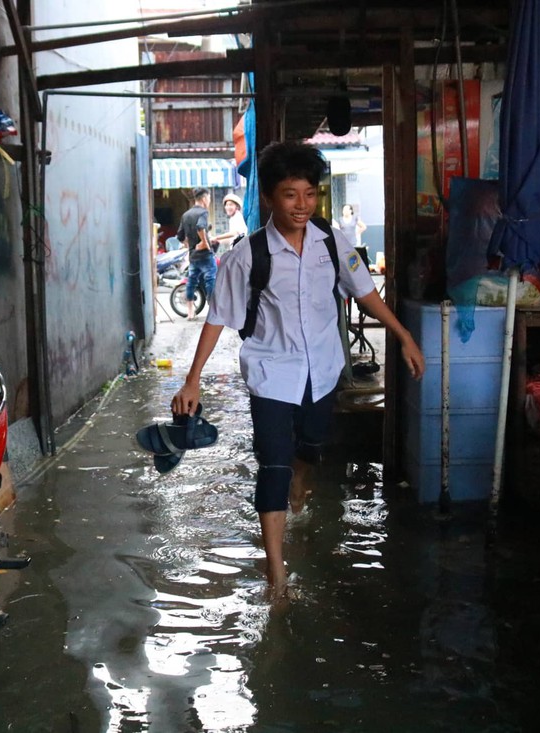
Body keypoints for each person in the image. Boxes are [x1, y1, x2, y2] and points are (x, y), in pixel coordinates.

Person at [172, 141, 426, 598]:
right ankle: (277, 574)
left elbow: (365, 291)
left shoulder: (331, 241)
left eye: (310, 194)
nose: (302, 205)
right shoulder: (248, 255)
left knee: (310, 447)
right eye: (291, 195)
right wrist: (192, 381)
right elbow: (217, 317)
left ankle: (302, 475)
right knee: (272, 466)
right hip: (271, 372)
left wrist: (403, 335)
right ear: (270, 197)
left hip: (324, 369)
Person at [177, 187, 216, 321]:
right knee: (211, 279)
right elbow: (200, 227)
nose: (209, 201)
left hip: (193, 255)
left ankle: (190, 312)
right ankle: (213, 310)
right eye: (209, 198)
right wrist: (204, 242)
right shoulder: (203, 213)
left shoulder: (186, 215)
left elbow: (180, 236)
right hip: (205, 255)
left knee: (191, 281)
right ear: (204, 198)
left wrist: (190, 245)